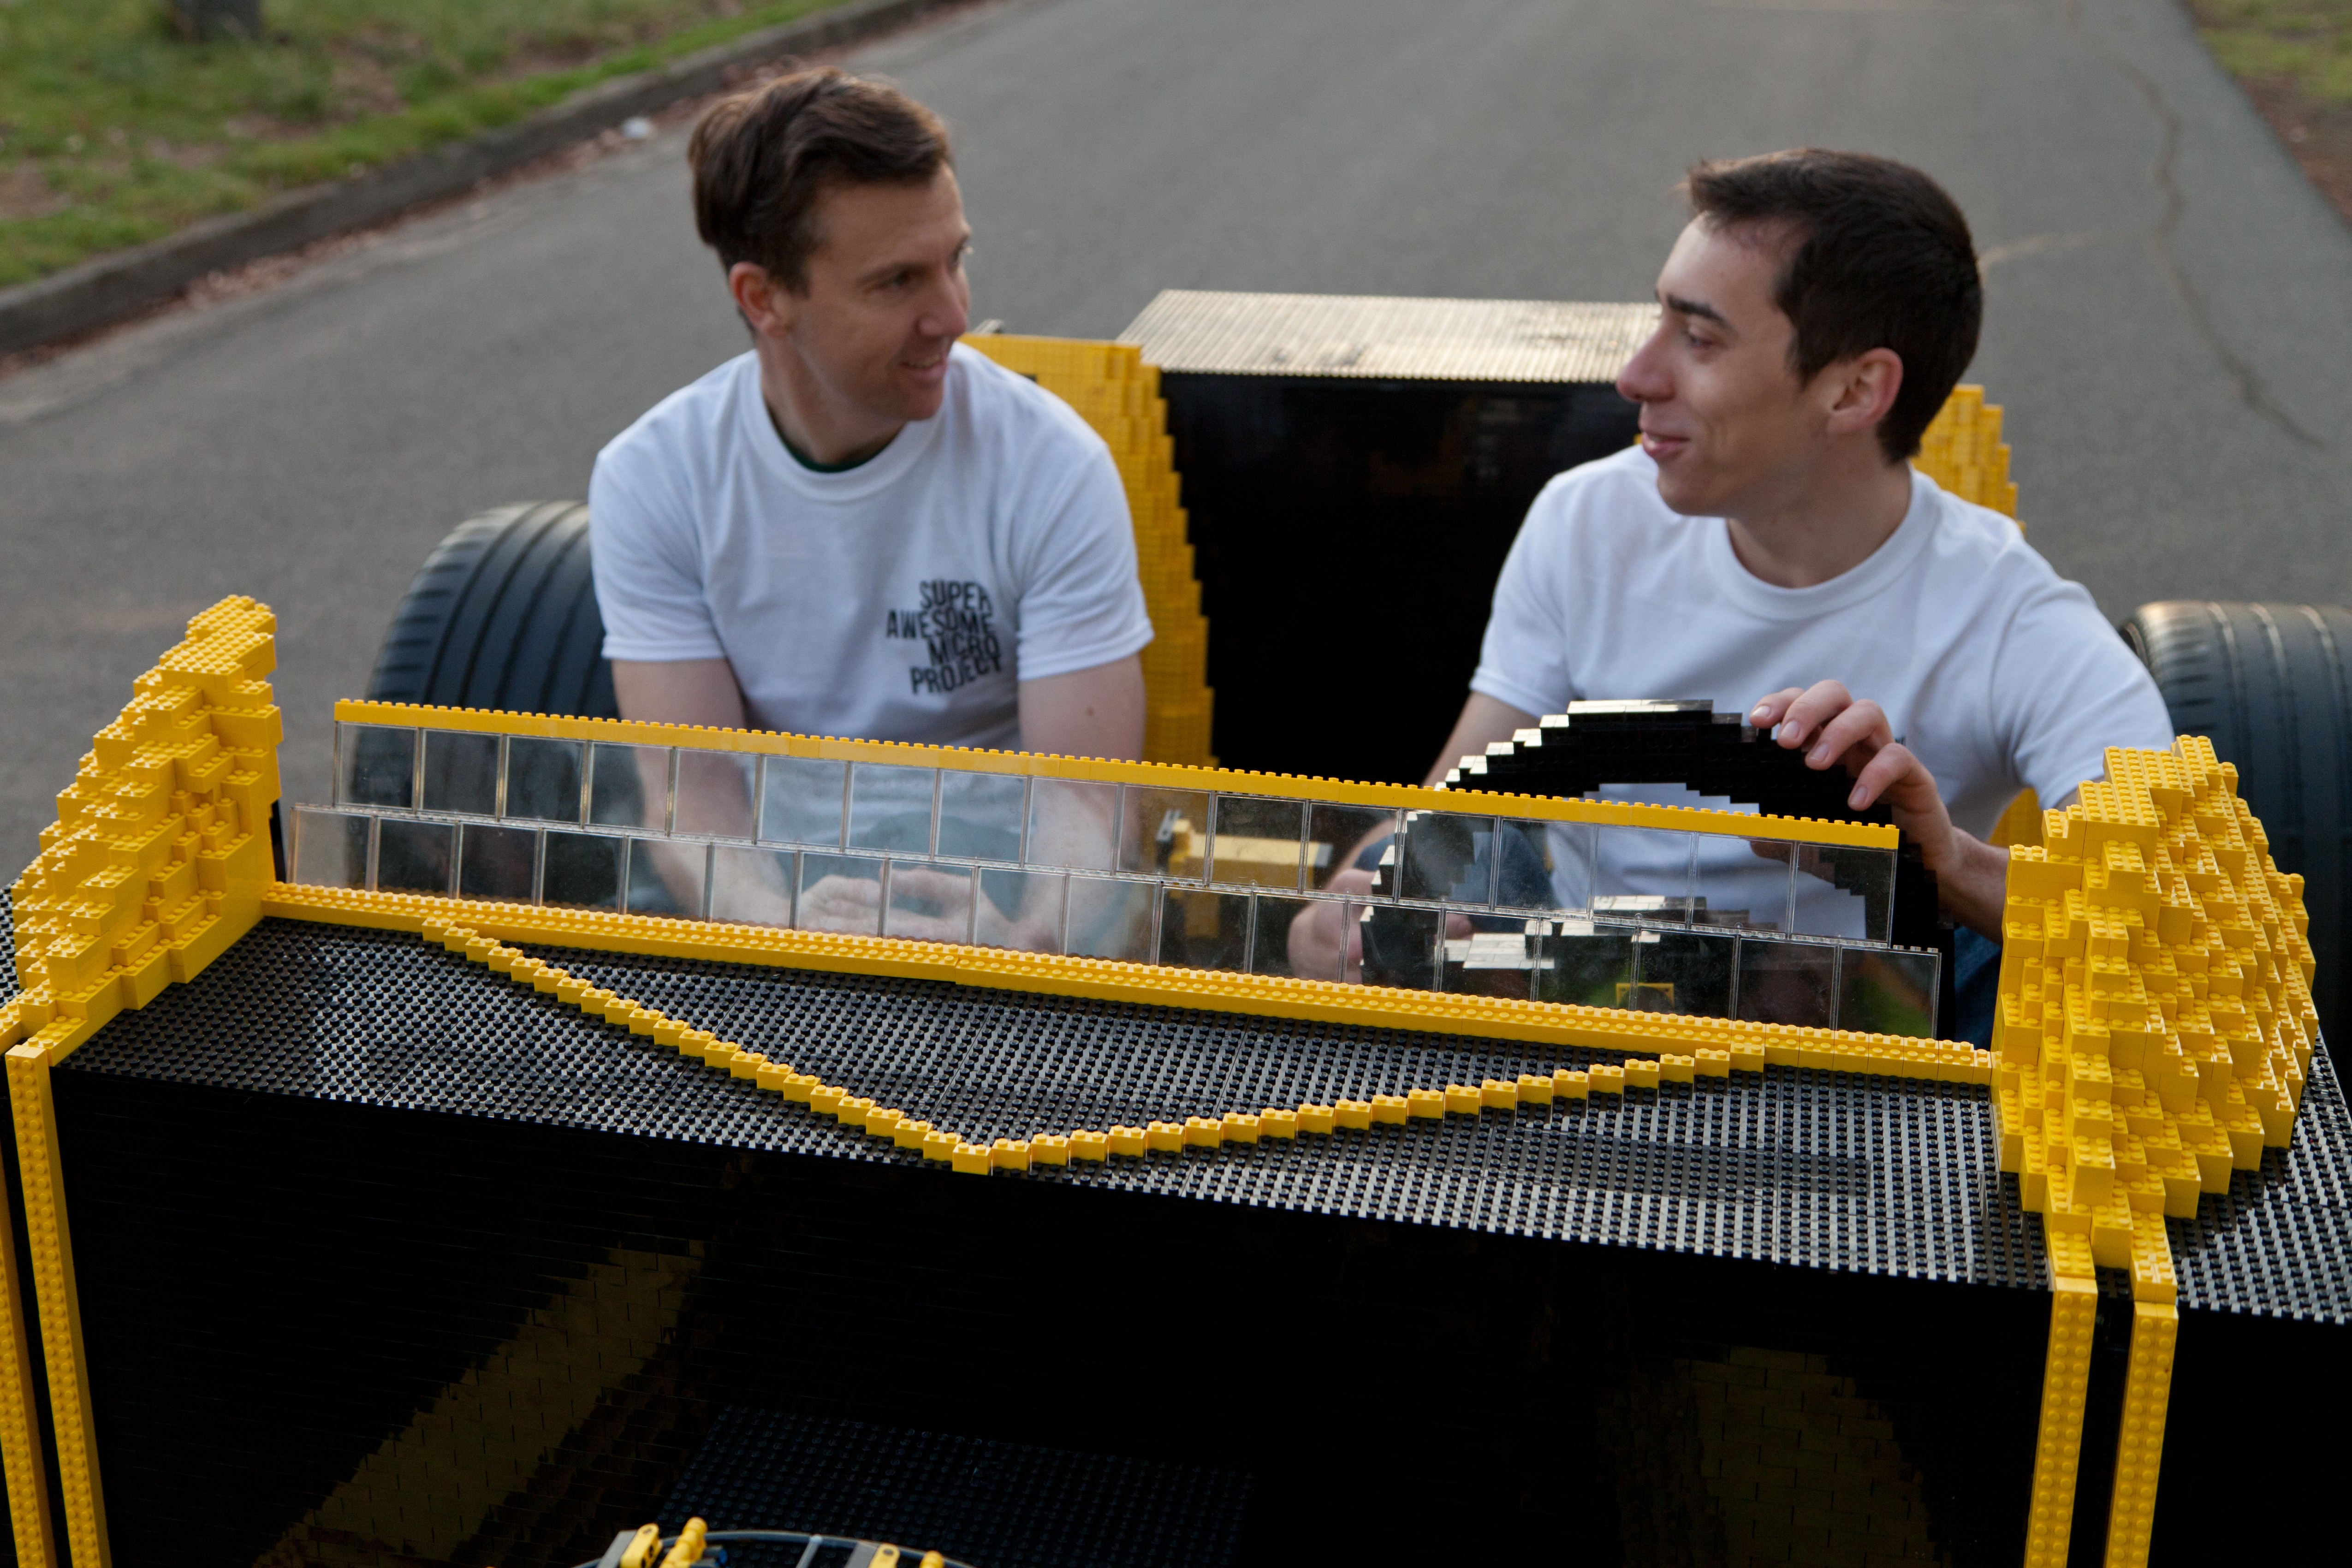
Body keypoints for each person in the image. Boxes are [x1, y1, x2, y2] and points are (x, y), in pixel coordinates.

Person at [1295, 149, 2174, 1032]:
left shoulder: (2016, 619)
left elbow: (2169, 925)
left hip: (1853, 1056)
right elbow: (1452, 806)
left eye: (1700, 339)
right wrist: (1347, 907)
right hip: (1585, 1009)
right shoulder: (1586, 520)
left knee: (2013, 970)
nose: (1636, 376)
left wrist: (1943, 866)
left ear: (1855, 390)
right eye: (1660, 319)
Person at [587, 68, 1153, 940]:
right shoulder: (656, 478)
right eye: (897, 283)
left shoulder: (1051, 466)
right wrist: (779, 928)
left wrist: (1023, 943)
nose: (953, 314)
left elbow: (1088, 803)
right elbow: (691, 796)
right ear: (765, 299)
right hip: (782, 886)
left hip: (1008, 888)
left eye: (955, 259)